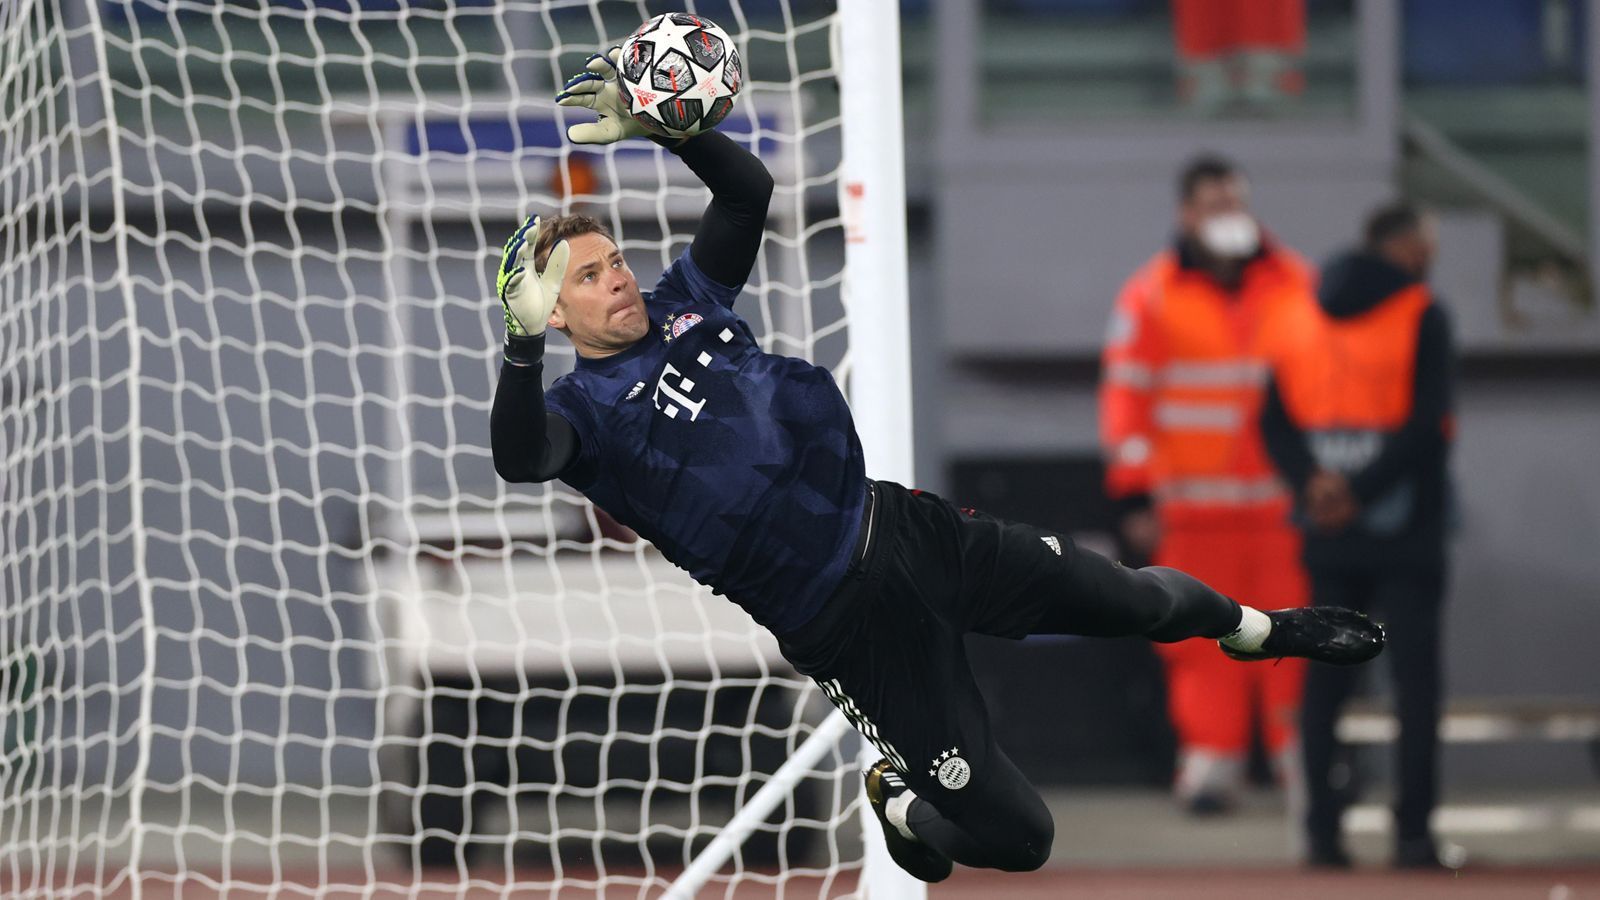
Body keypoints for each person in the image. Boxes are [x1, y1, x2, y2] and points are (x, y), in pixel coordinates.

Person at [491, 49, 1384, 883]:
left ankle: (1263, 629)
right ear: (555, 314)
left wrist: (668, 122)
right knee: (1019, 839)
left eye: (615, 260)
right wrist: (521, 349)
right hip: (848, 626)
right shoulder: (578, 414)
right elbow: (520, 457)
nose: (617, 279)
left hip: (909, 529)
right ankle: (903, 802)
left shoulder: (684, 300)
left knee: (1141, 600)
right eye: (589, 278)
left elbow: (747, 189)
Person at [1099, 154, 1319, 816]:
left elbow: (1323, 387)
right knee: (1200, 644)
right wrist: (1134, 493)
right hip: (1191, 509)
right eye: (1215, 204)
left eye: (1236, 202)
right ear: (1186, 214)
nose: (1229, 215)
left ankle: (1302, 766)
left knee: (1296, 635)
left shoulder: (1297, 284)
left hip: (1284, 509)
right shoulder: (1151, 296)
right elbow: (1125, 400)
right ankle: (1212, 768)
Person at [1261, 202, 1455, 869]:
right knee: (1416, 687)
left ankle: (1321, 833)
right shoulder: (1422, 311)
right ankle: (1414, 836)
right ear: (1407, 247)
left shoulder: (1295, 310)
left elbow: (1273, 422)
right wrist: (1364, 491)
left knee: (1324, 688)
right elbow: (1429, 423)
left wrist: (1317, 487)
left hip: (1326, 527)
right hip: (1408, 528)